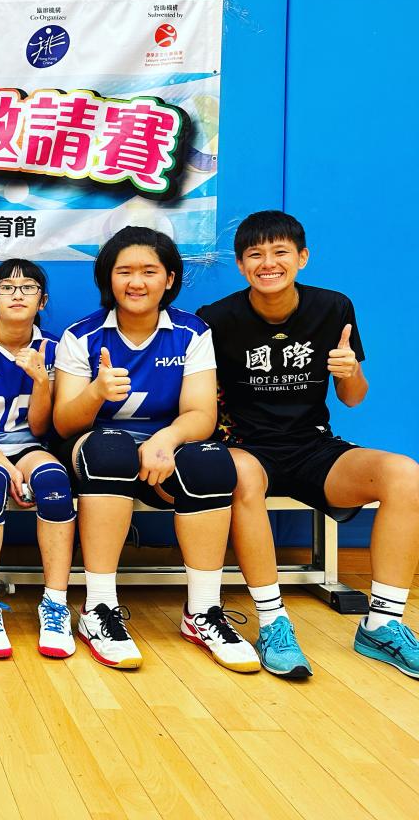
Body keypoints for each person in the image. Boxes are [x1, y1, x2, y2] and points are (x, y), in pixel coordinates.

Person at [198, 210, 419, 679]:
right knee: (240, 475)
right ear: (240, 265)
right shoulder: (215, 318)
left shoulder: (333, 308)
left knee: (405, 474)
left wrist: (349, 371)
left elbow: (352, 398)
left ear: (302, 257)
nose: (268, 263)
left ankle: (382, 624)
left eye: (280, 252)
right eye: (255, 254)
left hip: (312, 446)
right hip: (246, 447)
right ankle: (273, 623)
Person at [53, 226, 258, 673]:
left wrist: (164, 439)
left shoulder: (191, 332)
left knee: (211, 462)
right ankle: (98, 608)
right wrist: (96, 393)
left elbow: (201, 414)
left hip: (164, 451)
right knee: (111, 451)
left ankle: (202, 611)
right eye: (124, 271)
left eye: (149, 271)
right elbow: (64, 423)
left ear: (169, 279)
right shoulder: (81, 336)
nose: (136, 282)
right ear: (107, 279)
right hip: (96, 449)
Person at [0, 260, 75, 660]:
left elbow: (40, 428)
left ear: (43, 300)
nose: (17, 294)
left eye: (28, 287)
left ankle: (55, 604)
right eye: (6, 287)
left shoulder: (56, 348)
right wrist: (6, 467)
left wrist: (41, 380)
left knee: (54, 482)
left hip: (30, 445)